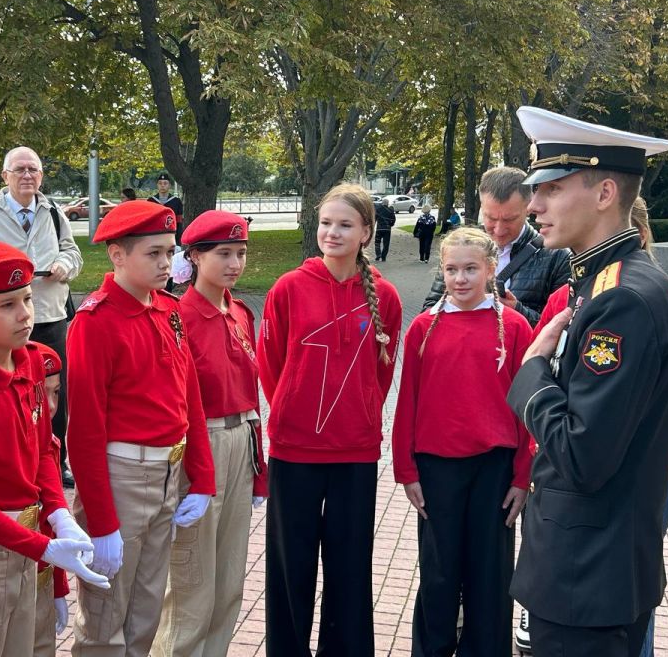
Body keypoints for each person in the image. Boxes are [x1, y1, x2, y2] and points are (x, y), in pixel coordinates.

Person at [505, 106, 668, 657]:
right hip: (587, 571)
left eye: (552, 189)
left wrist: (532, 372)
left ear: (605, 192)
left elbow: (583, 456)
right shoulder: (604, 284)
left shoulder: (622, 300)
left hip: (586, 578)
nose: (533, 205)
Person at [257, 183, 402, 657]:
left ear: (366, 232)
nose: (332, 232)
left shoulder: (387, 297)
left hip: (353, 452)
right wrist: (293, 408)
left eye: (344, 225)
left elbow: (382, 375)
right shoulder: (288, 289)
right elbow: (271, 363)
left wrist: (357, 413)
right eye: (325, 223)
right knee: (288, 566)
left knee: (349, 567)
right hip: (294, 449)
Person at [66, 200, 215, 657]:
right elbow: (85, 428)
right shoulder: (96, 321)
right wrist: (103, 519)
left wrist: (202, 475)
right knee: (106, 618)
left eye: (170, 252)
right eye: (153, 253)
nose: (167, 263)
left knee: (147, 609)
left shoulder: (167, 309)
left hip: (167, 473)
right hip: (123, 475)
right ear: (117, 256)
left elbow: (189, 395)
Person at [0, 241, 106, 657]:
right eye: (6, 305)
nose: (25, 314)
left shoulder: (32, 362)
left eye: (27, 299)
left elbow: (42, 451)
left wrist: (58, 513)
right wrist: (41, 545)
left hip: (31, 535)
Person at [394, 226, 533, 656]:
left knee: (489, 574)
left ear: (491, 269)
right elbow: (408, 404)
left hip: (494, 468)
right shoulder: (423, 329)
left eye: (471, 269)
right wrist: (407, 471)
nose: (460, 279)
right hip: (437, 469)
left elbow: (527, 408)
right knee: (438, 573)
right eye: (452, 269)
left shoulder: (514, 327)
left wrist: (522, 476)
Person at [153, 211, 268, 657]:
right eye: (223, 254)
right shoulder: (179, 316)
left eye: (240, 253)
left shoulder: (239, 312)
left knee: (229, 581)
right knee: (191, 585)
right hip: (202, 447)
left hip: (241, 441)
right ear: (196, 257)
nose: (234, 263)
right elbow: (180, 403)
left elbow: (251, 393)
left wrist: (258, 467)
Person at [0, 147, 83, 488]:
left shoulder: (53, 211)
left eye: (33, 169)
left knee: (54, 393)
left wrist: (66, 265)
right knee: (4, 394)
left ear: (42, 176)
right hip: (0, 322)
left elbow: (72, 250)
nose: (27, 175)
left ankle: (56, 462)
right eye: (19, 169)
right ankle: (11, 466)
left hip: (48, 314)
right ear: (5, 176)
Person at [423, 168, 570, 325]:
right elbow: (429, 310)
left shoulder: (557, 257)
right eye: (491, 218)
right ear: (482, 206)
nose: (499, 230)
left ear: (529, 208)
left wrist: (517, 310)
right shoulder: (460, 245)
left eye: (509, 219)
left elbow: (562, 330)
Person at [32, 343, 72, 657]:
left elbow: (51, 524)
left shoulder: (50, 442)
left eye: (56, 392)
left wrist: (58, 586)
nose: (50, 404)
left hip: (41, 576)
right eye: (39, 393)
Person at [147, 175, 185, 244]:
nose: (162, 185)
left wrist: (178, 242)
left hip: (171, 236)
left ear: (169, 185)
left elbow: (179, 222)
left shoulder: (176, 201)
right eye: (160, 183)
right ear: (157, 185)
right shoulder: (151, 201)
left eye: (165, 183)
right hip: (154, 236)